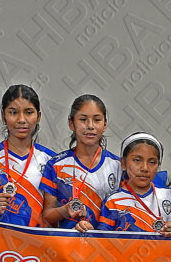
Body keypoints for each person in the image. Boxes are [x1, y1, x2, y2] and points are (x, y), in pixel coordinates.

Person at [0, 85, 55, 227]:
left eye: (28, 112)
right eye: (13, 112)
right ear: (4, 116)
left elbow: (52, 216)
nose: (21, 119)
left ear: (38, 116)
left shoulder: (51, 162)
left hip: (37, 245)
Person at [40, 94, 122, 232]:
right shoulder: (55, 165)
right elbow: (47, 216)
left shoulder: (118, 166)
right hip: (67, 248)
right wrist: (65, 210)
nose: (90, 126)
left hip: (106, 247)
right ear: (71, 123)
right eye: (83, 119)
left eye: (97, 120)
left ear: (105, 124)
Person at [97, 133, 171, 235]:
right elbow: (102, 238)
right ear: (123, 163)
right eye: (137, 160)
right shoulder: (113, 201)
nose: (144, 168)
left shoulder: (169, 196)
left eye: (152, 162)